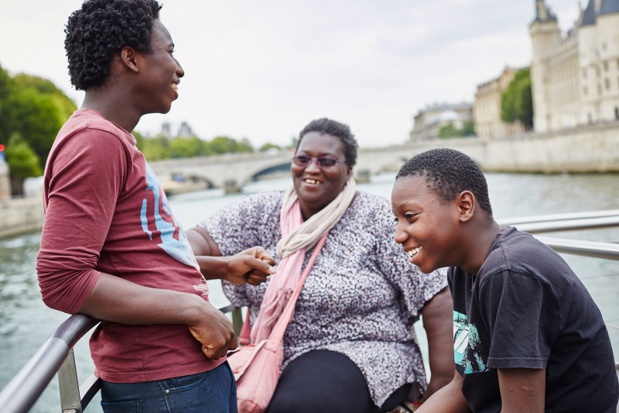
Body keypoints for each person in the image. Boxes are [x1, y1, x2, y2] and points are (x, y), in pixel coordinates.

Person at [35, 1, 275, 412]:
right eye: (169, 51)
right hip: (165, 385)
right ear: (130, 57)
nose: (179, 67)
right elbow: (60, 278)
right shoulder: (95, 141)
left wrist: (223, 267)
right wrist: (193, 309)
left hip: (179, 377)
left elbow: (140, 257)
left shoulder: (110, 139)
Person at [186, 118, 454, 413]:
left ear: (348, 169)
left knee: (299, 406)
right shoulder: (260, 211)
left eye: (326, 161)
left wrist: (441, 386)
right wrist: (223, 265)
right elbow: (190, 243)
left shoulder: (377, 218)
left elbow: (435, 294)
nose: (312, 169)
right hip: (273, 352)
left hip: (365, 349)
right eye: (303, 159)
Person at [391, 148, 619, 412]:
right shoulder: (463, 270)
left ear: (464, 207)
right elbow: (463, 385)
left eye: (409, 217)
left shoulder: (511, 274)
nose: (398, 234)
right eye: (396, 220)